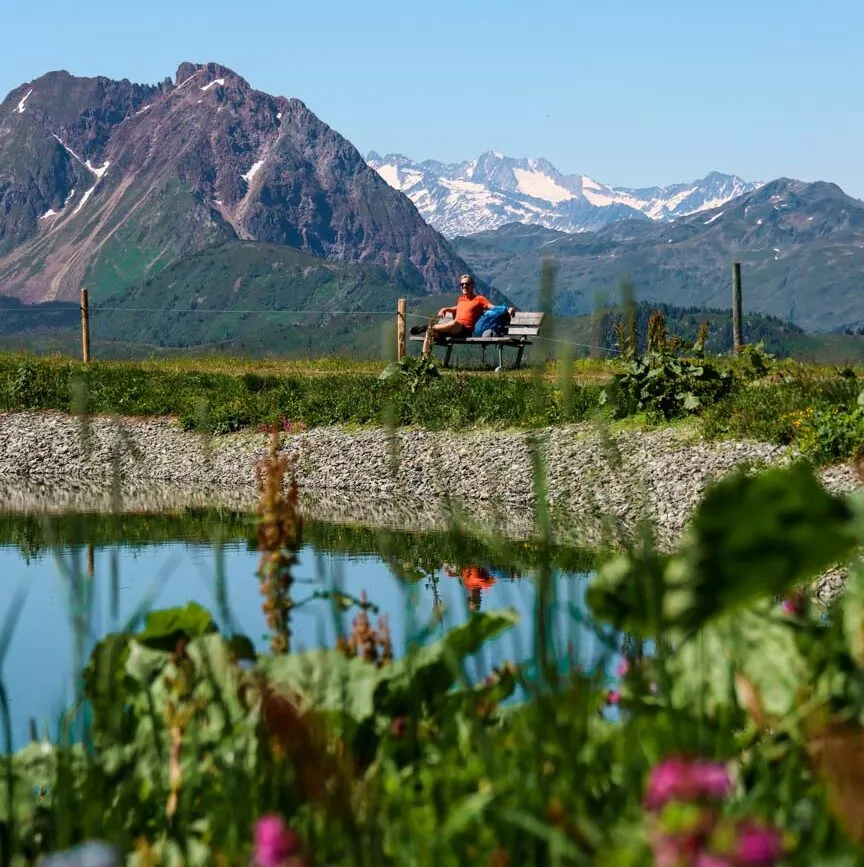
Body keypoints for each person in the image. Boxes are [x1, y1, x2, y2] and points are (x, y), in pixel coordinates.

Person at [416, 275, 514, 352]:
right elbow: (459, 308)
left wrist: (507, 309)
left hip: (465, 330)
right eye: (462, 284)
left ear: (472, 285)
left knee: (454, 323)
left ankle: (427, 326)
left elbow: (492, 307)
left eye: (467, 284)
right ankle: (424, 361)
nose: (464, 286)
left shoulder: (479, 299)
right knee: (430, 333)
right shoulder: (461, 299)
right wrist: (447, 309)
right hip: (452, 330)